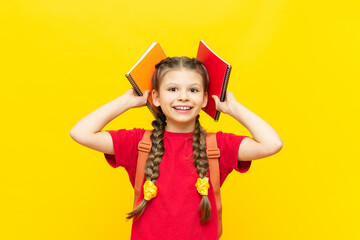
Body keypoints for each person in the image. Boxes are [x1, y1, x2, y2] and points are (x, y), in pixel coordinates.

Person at [70, 56, 283, 240]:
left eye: (193, 90)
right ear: (156, 97)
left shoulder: (218, 146)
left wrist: (234, 108)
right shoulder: (137, 143)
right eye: (172, 89)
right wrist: (126, 102)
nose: (183, 96)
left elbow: (272, 144)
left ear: (205, 99)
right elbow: (80, 133)